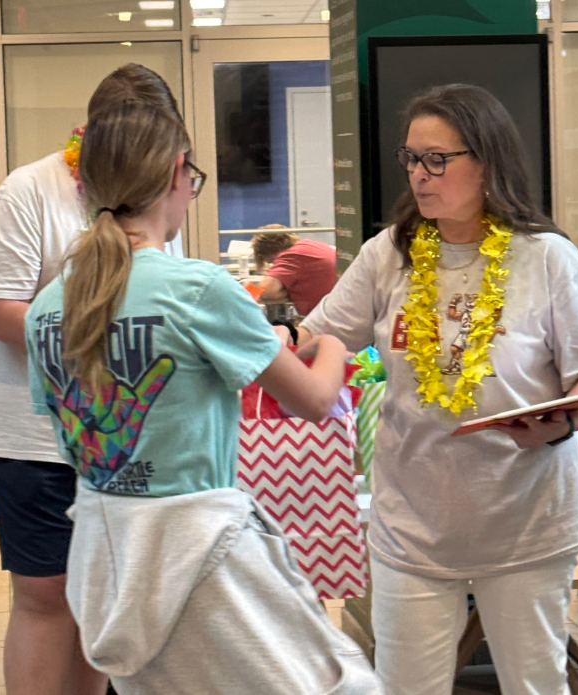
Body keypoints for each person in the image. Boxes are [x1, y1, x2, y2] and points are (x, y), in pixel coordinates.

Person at [24, 100, 382, 695]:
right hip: (202, 562)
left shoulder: (45, 310)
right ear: (176, 174)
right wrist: (335, 343)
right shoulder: (198, 289)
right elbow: (315, 402)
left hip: (104, 561)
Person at [297, 84, 578, 695]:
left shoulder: (548, 257)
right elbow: (317, 339)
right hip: (413, 523)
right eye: (412, 158)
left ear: (488, 162)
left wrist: (566, 420)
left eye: (437, 159)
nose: (419, 174)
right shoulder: (387, 255)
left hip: (526, 517)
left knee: (533, 685)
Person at [0, 64, 185, 695]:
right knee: (47, 596)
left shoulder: (153, 199)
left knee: (101, 599)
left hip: (124, 440)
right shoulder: (29, 191)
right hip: (35, 438)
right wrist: (100, 339)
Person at [250, 230, 337, 315]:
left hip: (324, 319)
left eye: (272, 262)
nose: (274, 265)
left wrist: (289, 291)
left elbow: (265, 292)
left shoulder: (290, 256)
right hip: (336, 311)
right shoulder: (310, 245)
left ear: (267, 254)